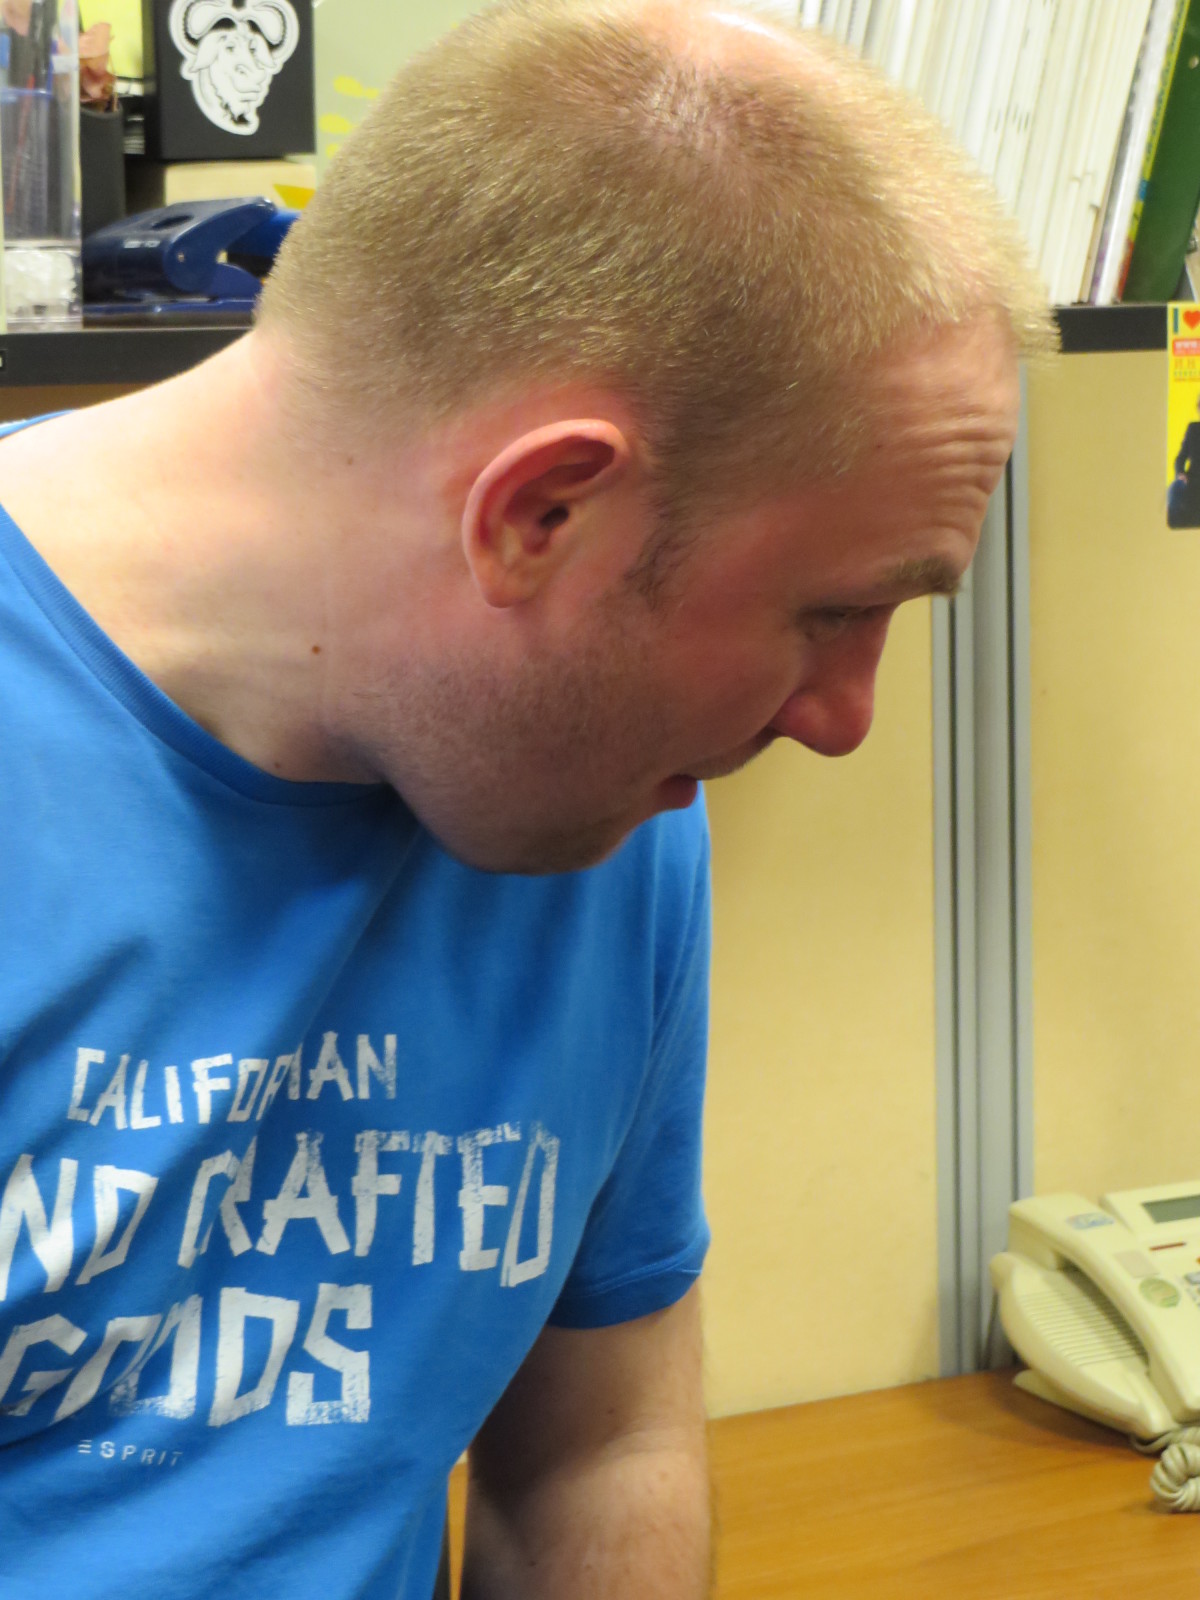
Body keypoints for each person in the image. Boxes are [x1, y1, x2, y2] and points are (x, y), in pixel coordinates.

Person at [0, 2, 1052, 1596]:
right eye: (832, 612)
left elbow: (597, 1447)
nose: (844, 721)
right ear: (542, 514)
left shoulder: (588, 794)